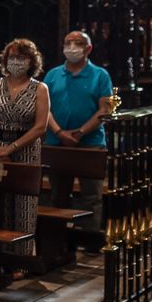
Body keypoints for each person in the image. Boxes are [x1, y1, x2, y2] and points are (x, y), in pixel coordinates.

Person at [0, 39, 50, 265]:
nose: (16, 62)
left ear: (31, 61)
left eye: (21, 57)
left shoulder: (39, 88)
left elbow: (41, 126)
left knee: (24, 204)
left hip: (26, 150)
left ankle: (21, 259)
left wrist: (11, 148)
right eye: (12, 57)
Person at [43, 30, 113, 237]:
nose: (72, 47)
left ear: (88, 48)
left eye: (78, 43)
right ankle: (58, 240)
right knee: (58, 195)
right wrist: (59, 132)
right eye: (68, 43)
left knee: (91, 195)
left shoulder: (100, 75)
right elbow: (44, 108)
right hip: (57, 142)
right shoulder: (53, 74)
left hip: (90, 143)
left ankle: (89, 239)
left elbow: (104, 109)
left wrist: (80, 133)